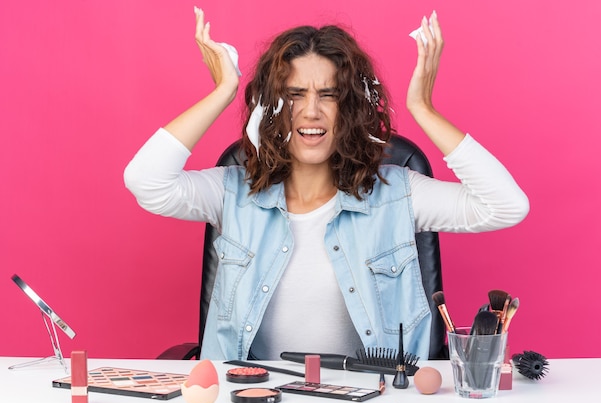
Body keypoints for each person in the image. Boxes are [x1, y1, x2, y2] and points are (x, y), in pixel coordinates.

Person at [124, 8, 529, 361]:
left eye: (329, 95)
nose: (312, 112)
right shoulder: (232, 191)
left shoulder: (400, 193)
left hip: (376, 399)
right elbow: (146, 181)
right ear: (272, 107)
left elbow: (506, 206)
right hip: (251, 397)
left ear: (350, 107)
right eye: (294, 94)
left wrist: (423, 108)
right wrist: (223, 91)